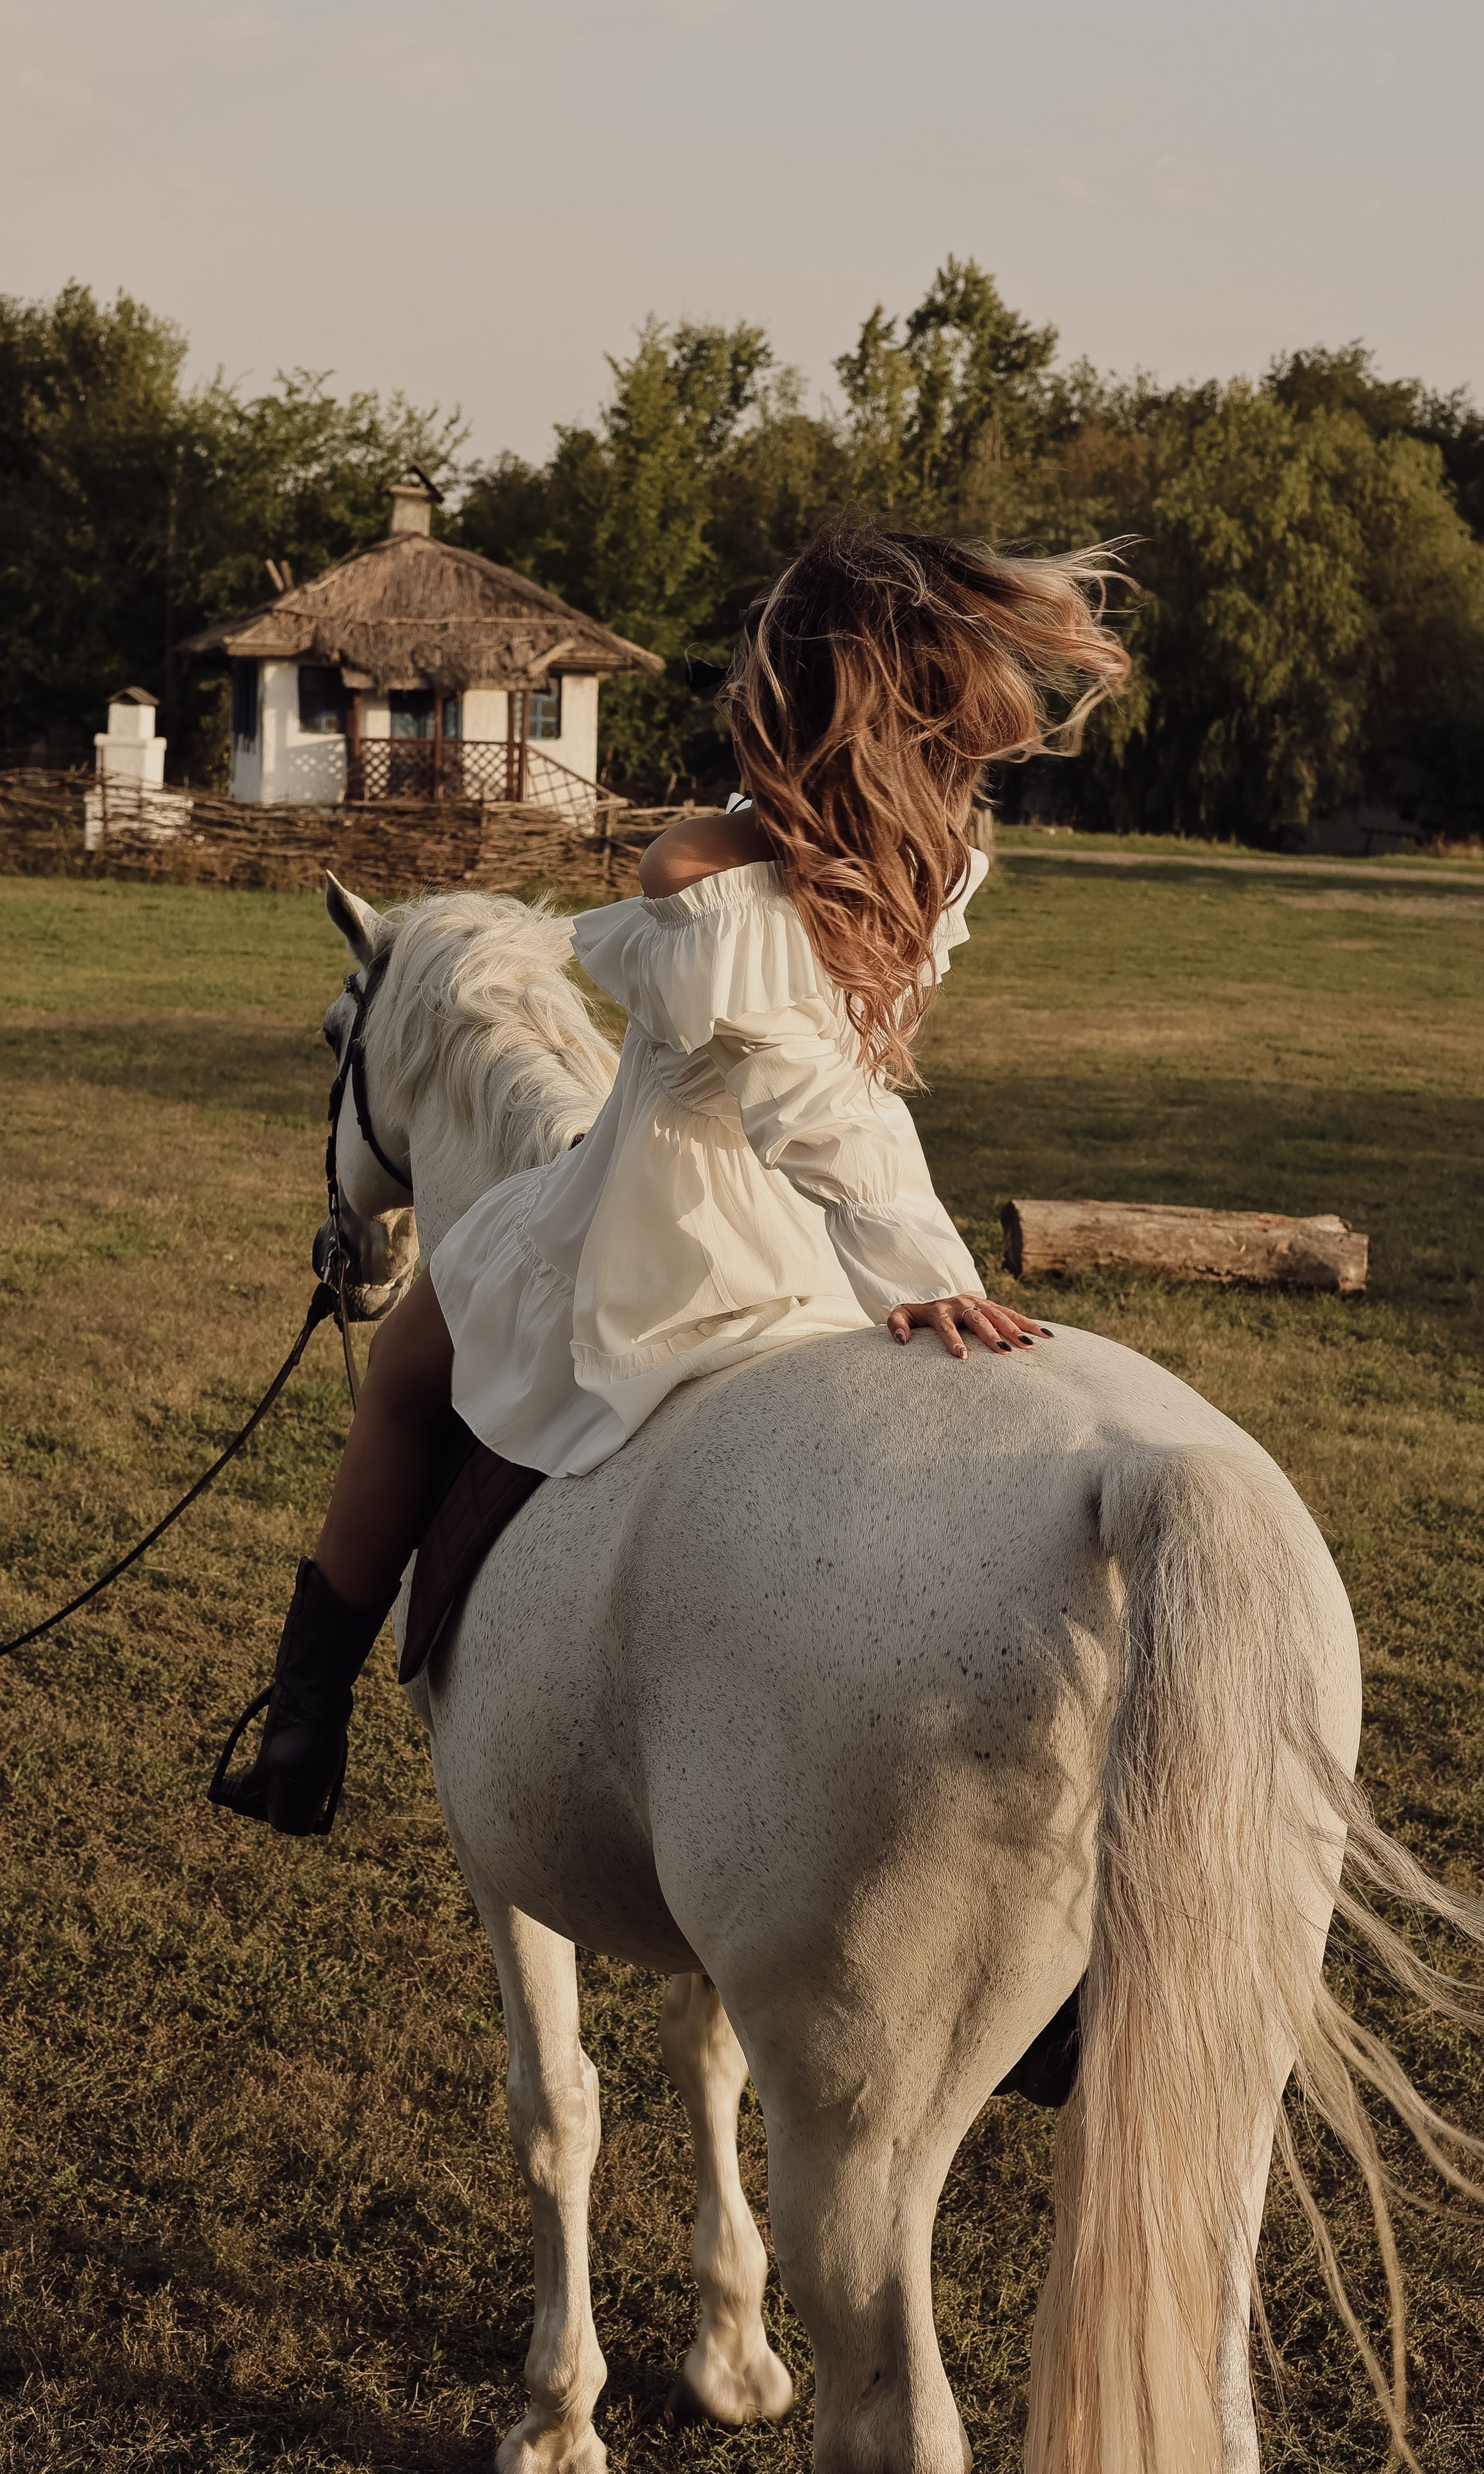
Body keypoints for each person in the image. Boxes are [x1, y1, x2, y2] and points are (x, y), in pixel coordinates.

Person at [220, 525, 1130, 1835]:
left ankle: (302, 1728)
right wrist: (921, 1268)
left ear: (792, 700)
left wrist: (933, 1274)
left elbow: (803, 1089)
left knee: (406, 1384)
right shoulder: (930, 873)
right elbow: (840, 1095)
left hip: (645, 1215)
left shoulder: (703, 865)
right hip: (814, 1239)